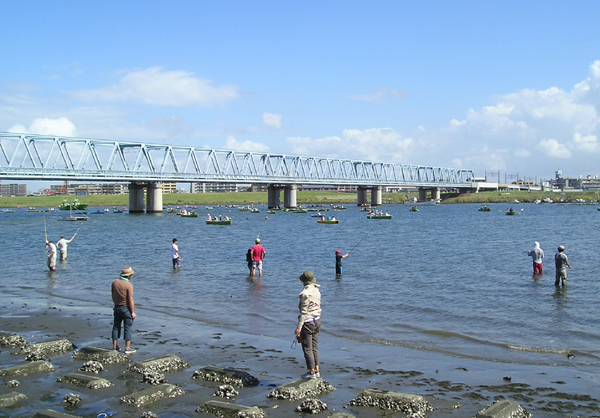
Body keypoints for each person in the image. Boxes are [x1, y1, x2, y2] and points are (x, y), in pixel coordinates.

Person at [295, 270, 321, 379]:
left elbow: (304, 312)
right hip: (317, 320)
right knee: (314, 347)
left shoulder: (305, 294)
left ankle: (311, 372)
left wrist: (299, 328)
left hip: (307, 322)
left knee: (307, 348)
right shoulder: (317, 290)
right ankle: (317, 370)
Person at [111, 266, 137, 354]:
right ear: (129, 275)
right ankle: (127, 347)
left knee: (116, 326)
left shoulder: (115, 282)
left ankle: (115, 346)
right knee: (128, 327)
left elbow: (113, 294)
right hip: (125, 308)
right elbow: (130, 299)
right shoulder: (129, 285)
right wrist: (133, 312)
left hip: (117, 307)